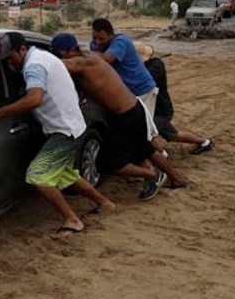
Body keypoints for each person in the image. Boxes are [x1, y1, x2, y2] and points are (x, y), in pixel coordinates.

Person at [0, 32, 116, 239]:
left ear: (22, 50)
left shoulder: (33, 66)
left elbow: (34, 99)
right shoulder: (43, 56)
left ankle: (72, 220)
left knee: (38, 176)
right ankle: (105, 203)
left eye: (11, 57)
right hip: (72, 126)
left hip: (65, 131)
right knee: (64, 175)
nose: (10, 63)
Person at [49, 33, 172, 200]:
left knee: (107, 163)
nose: (59, 57)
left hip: (127, 114)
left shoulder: (84, 61)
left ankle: (154, 175)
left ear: (71, 50)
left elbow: (55, 65)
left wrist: (34, 58)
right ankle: (177, 179)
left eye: (59, 53)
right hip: (130, 110)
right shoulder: (86, 57)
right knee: (143, 151)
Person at [137, 43, 214, 156]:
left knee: (145, 133)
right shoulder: (147, 67)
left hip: (160, 110)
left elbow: (142, 80)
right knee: (170, 134)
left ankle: (163, 154)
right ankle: (204, 142)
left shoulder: (156, 66)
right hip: (149, 109)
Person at [89, 17, 159, 117]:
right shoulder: (94, 46)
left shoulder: (121, 41)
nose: (97, 42)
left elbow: (107, 59)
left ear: (111, 35)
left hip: (143, 91)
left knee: (144, 124)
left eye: (101, 39)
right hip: (126, 93)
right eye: (94, 38)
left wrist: (83, 54)